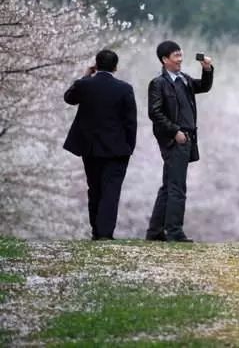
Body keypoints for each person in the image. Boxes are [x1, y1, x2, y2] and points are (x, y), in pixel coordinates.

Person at [63, 49, 137, 240]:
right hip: (117, 149)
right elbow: (131, 122)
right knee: (111, 191)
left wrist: (86, 75)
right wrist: (130, 147)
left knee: (94, 189)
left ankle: (96, 232)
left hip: (90, 148)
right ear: (115, 67)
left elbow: (69, 98)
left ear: (96, 65)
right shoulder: (124, 88)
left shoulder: (84, 85)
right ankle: (105, 233)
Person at [145, 40, 214, 243]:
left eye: (181, 55)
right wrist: (175, 131)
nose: (180, 59)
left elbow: (204, 87)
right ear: (164, 60)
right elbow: (154, 112)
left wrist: (207, 69)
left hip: (188, 137)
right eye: (176, 56)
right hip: (174, 139)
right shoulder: (158, 83)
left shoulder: (183, 78)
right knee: (177, 187)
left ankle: (155, 232)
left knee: (169, 185)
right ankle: (174, 232)